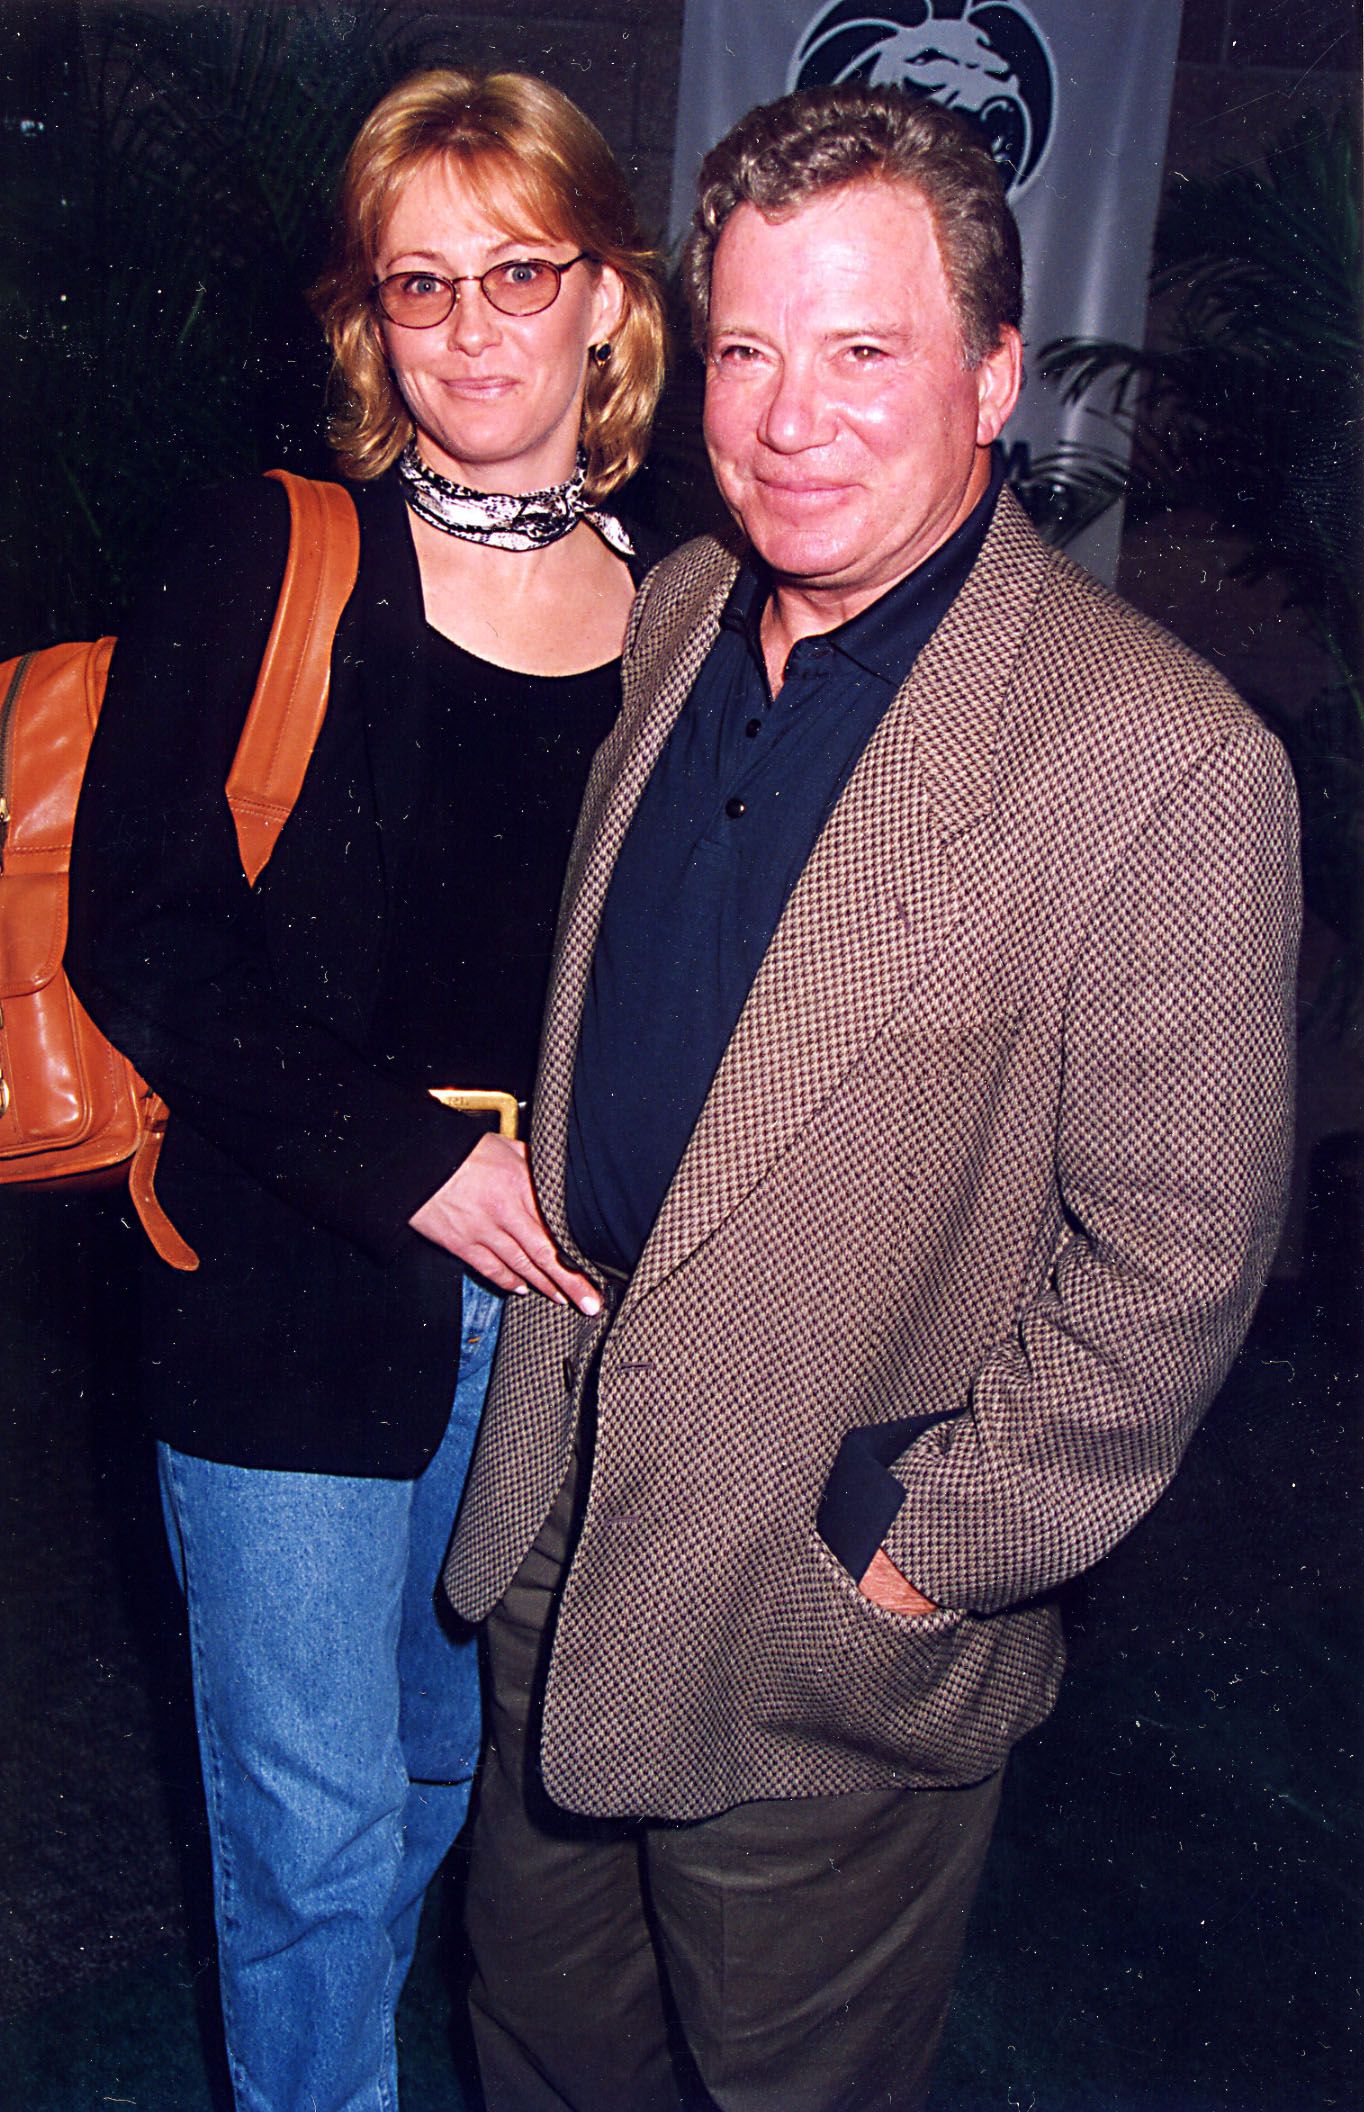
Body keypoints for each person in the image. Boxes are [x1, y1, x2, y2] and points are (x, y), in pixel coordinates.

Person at [443, 83, 1301, 2112]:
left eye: (862, 351)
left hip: (821, 1626)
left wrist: (909, 1555)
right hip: (562, 1533)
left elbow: (1173, 1268)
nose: (786, 415)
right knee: (539, 2053)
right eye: (745, 349)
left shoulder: (1159, 762)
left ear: (993, 378)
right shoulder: (664, 624)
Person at [65, 65, 664, 2112]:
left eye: (519, 272)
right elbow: (133, 930)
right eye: (423, 284)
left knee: (432, 1770)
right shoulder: (271, 551)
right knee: (311, 1829)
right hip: (289, 1278)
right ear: (368, 320)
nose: (473, 327)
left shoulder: (679, 602)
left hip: (562, 1306)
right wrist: (404, 1163)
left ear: (606, 296)